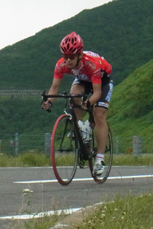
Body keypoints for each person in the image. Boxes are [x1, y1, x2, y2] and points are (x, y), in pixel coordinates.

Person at [41, 32, 113, 176]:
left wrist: (89, 102)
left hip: (102, 82)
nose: (67, 60)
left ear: (79, 55)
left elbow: (97, 92)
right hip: (82, 80)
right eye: (65, 56)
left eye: (71, 57)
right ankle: (81, 128)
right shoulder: (61, 64)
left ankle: (100, 159)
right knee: (73, 95)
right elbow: (54, 87)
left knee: (98, 114)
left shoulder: (91, 63)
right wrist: (48, 101)